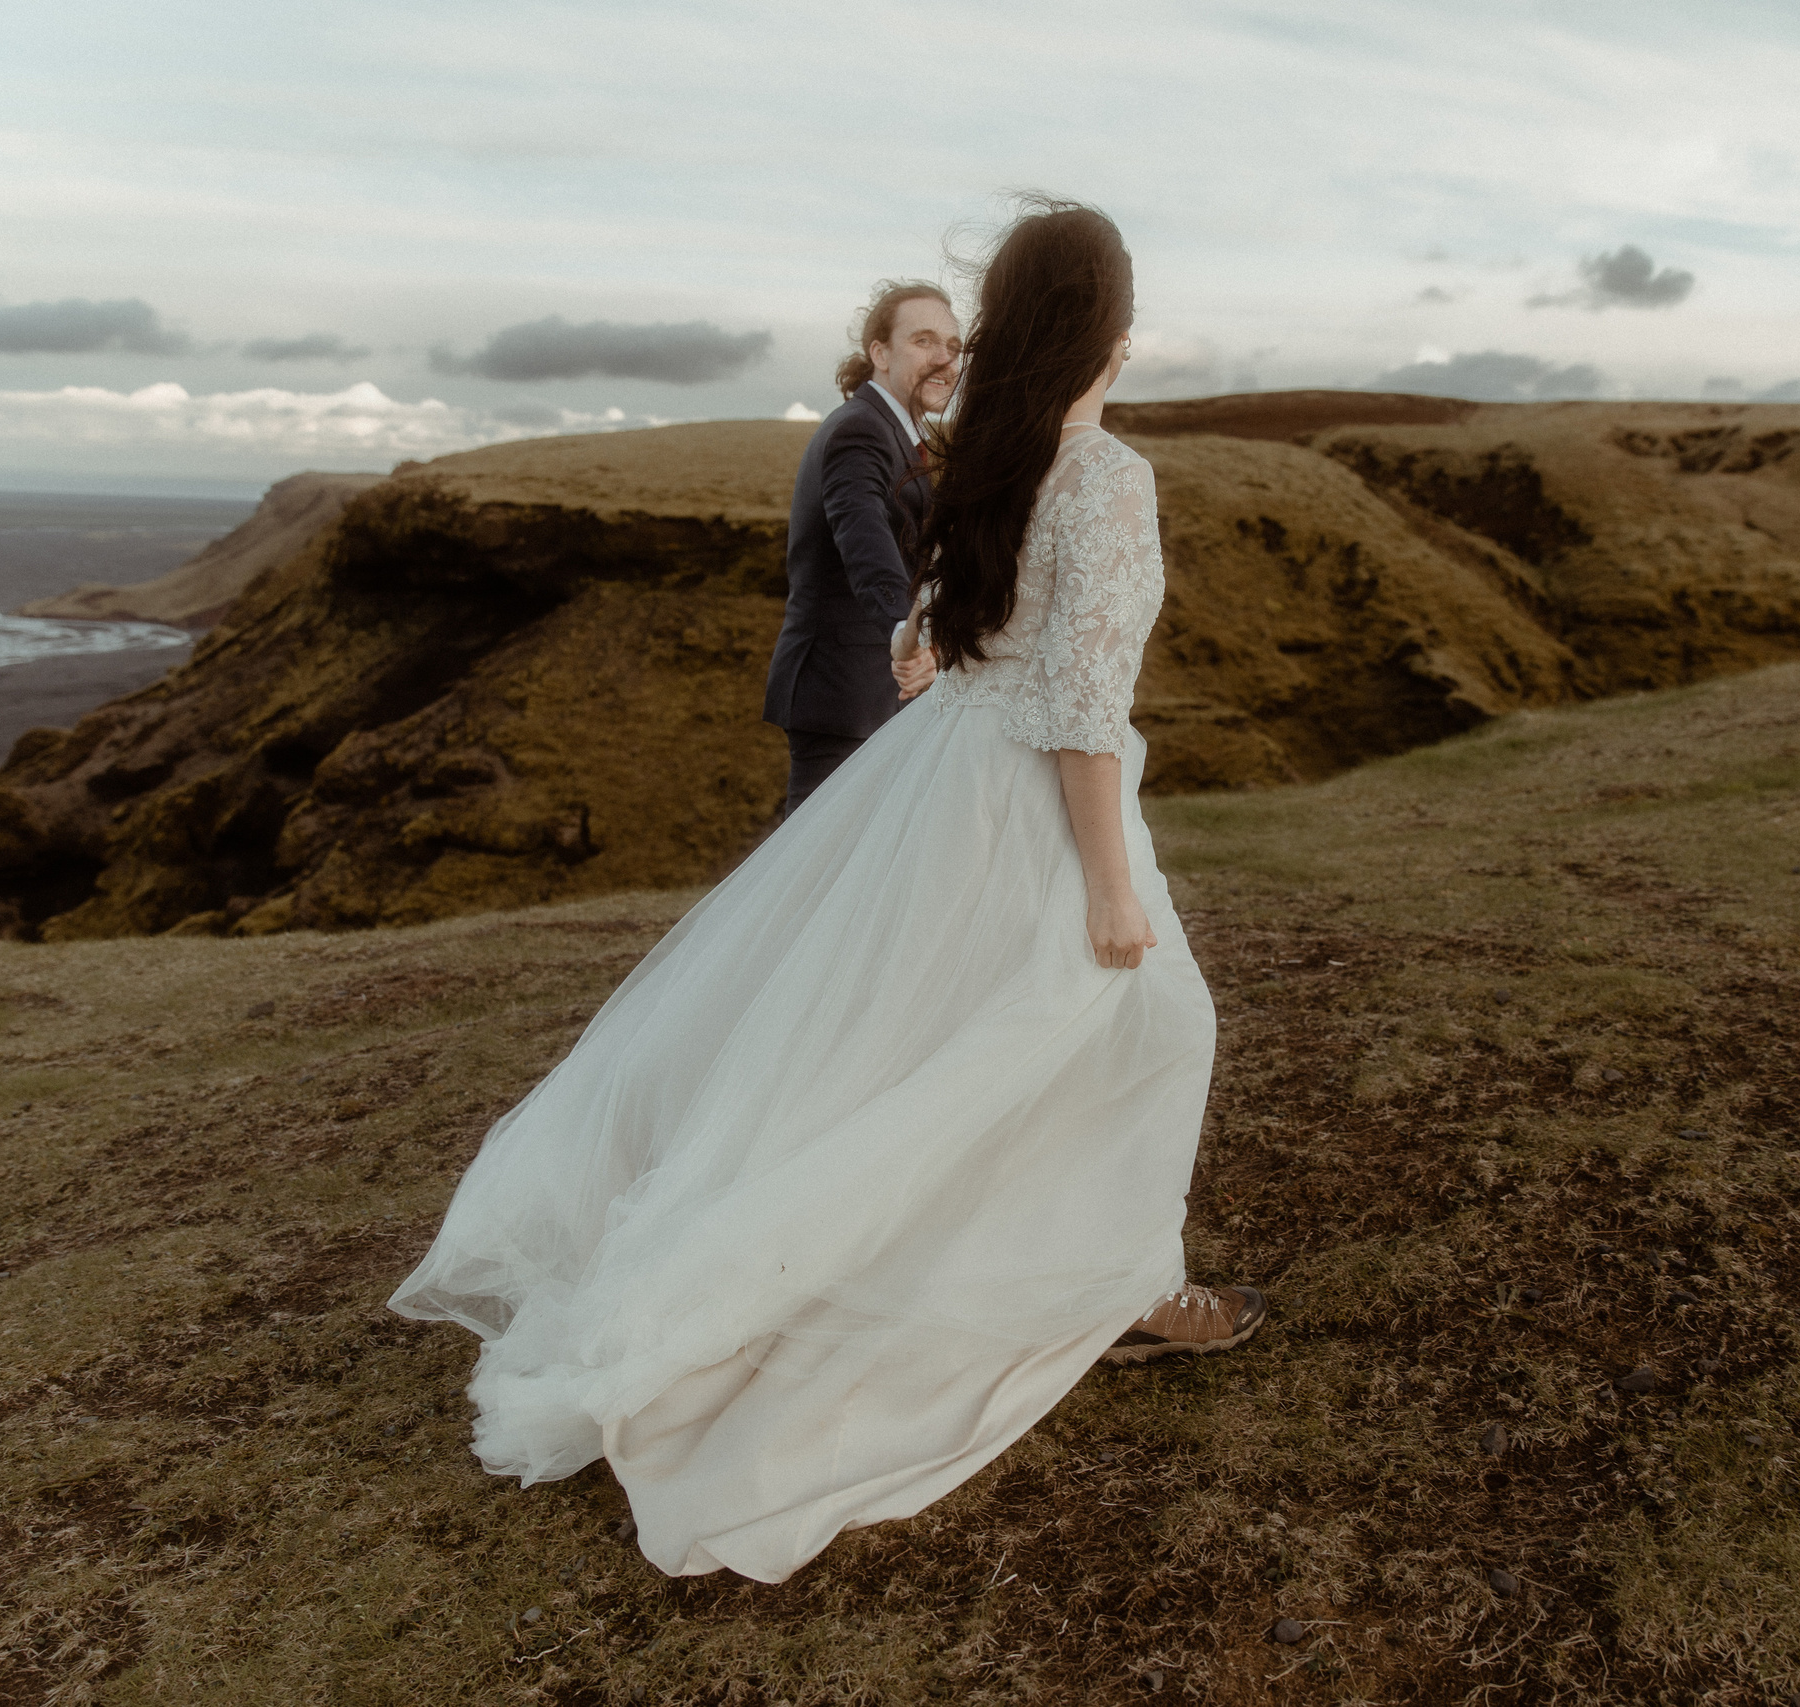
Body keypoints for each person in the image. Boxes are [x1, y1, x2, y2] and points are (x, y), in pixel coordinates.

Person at [387, 197, 1265, 1585]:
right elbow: (1085, 704)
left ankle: (1105, 1275)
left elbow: (946, 620)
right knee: (1148, 1019)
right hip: (1026, 795)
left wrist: (934, 654)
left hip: (948, 776)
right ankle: (1105, 1287)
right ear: (1110, 326)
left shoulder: (996, 455)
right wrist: (1110, 885)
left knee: (953, 1044)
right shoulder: (1100, 473)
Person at [762, 280, 956, 815]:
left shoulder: (899, 434)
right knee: (811, 856)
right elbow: (863, 540)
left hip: (873, 691)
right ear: (880, 353)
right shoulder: (861, 432)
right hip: (843, 692)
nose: (944, 359)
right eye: (923, 341)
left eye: (953, 346)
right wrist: (905, 636)